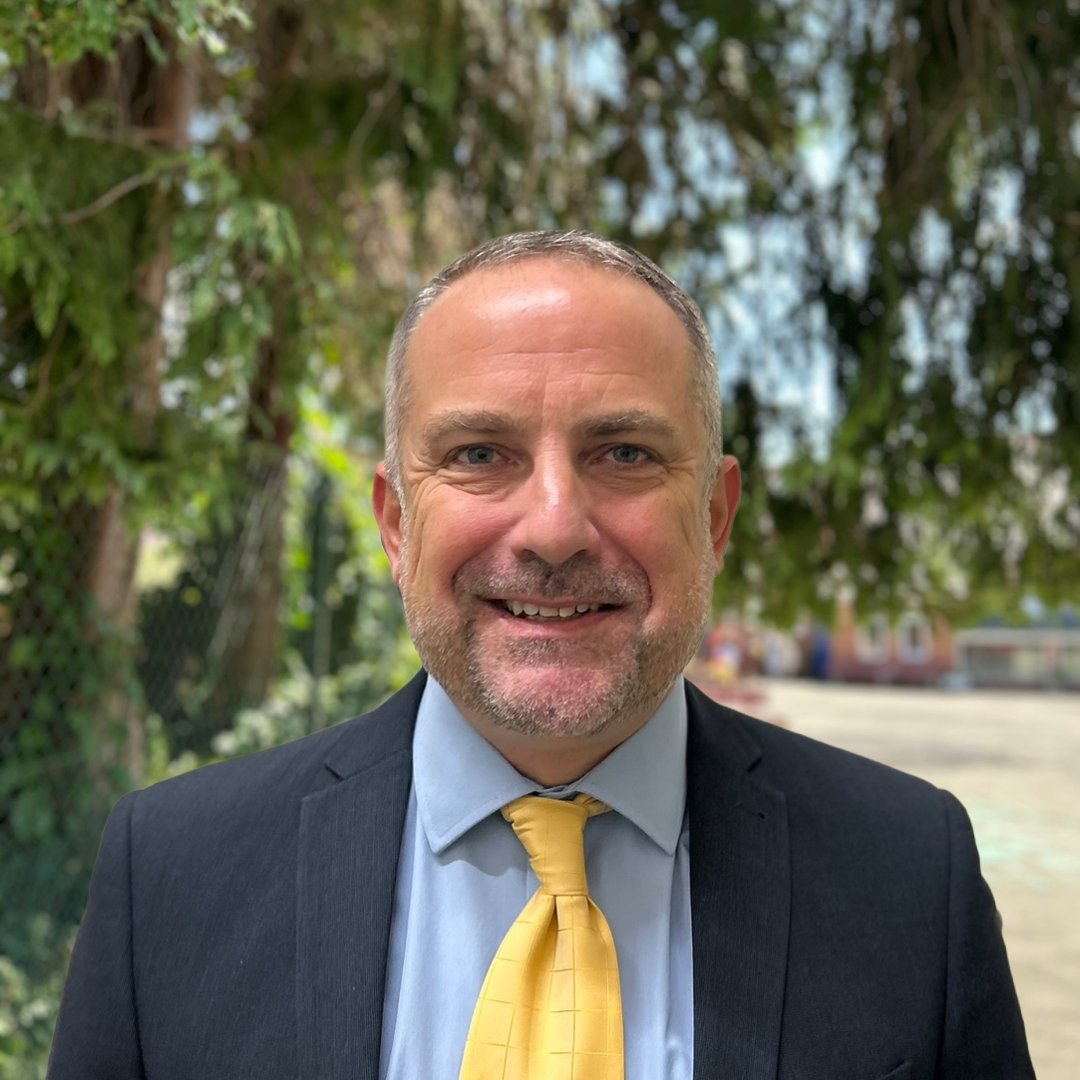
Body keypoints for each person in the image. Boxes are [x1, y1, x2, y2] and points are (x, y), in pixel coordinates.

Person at [48, 231, 1033, 1080]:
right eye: (480, 454)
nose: (555, 529)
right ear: (396, 524)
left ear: (715, 517)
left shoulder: (912, 878)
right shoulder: (169, 877)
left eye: (625, 453)